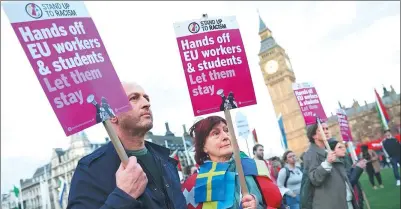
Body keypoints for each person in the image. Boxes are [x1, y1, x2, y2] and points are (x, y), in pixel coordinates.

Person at [67, 82, 186, 209]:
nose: (147, 103)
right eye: (134, 98)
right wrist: (123, 196)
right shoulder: (90, 169)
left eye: (146, 98)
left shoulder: (166, 161)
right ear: (112, 115)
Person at [182, 116, 282, 209]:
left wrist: (257, 205)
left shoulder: (253, 166)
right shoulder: (195, 183)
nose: (225, 136)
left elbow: (275, 202)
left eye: (226, 130)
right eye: (216, 133)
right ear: (203, 146)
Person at [302, 122, 360, 209]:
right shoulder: (311, 154)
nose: (326, 131)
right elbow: (314, 179)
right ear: (314, 136)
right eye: (321, 129)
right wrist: (327, 163)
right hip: (331, 204)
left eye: (327, 129)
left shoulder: (328, 151)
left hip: (345, 201)